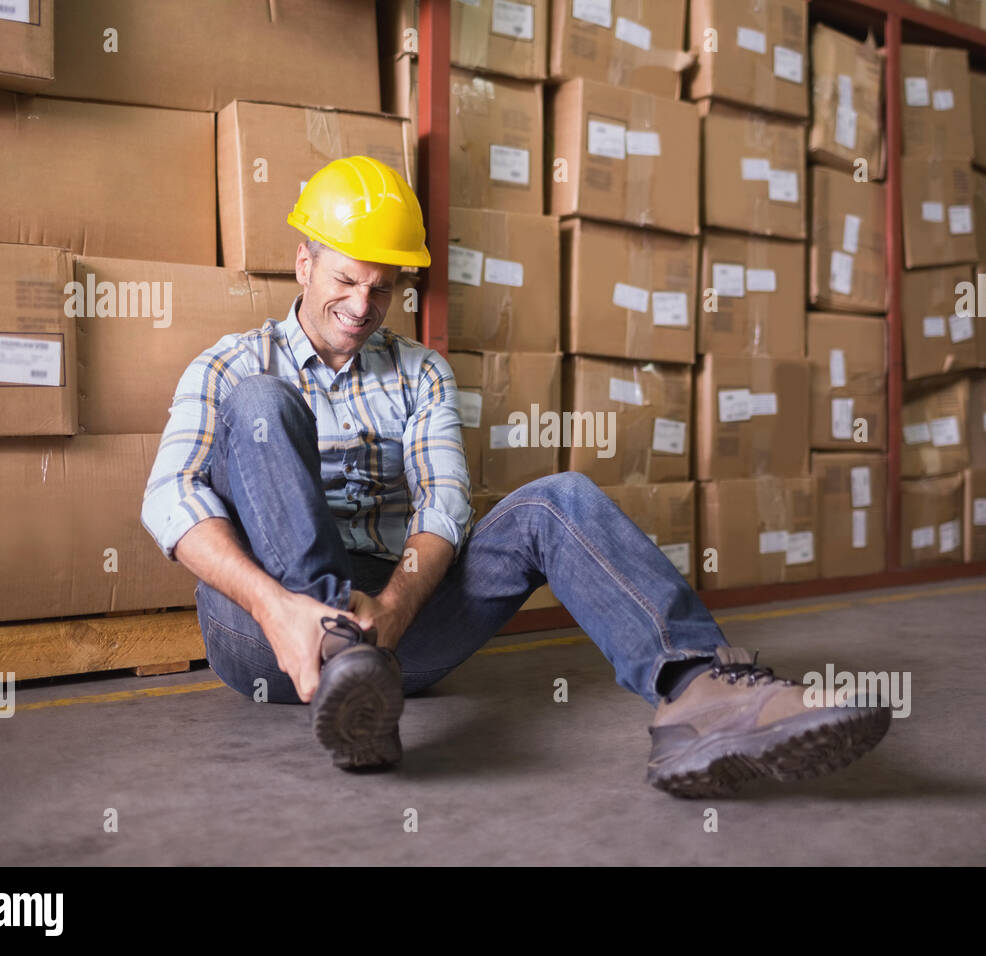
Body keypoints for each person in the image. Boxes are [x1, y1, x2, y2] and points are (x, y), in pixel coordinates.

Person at [141, 156, 891, 797]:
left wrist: (396, 608)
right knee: (263, 405)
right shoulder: (233, 365)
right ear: (303, 262)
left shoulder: (422, 373)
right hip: (260, 631)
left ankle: (699, 692)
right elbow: (169, 495)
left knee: (557, 499)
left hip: (399, 627)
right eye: (345, 280)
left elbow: (445, 506)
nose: (363, 305)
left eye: (383, 287)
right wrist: (278, 608)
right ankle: (340, 659)